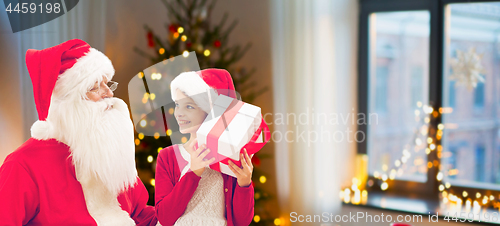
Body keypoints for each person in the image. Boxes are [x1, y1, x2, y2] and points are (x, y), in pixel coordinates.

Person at [0, 39, 157, 226]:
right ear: (68, 101)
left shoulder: (109, 153)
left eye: (107, 84)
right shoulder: (23, 165)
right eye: (95, 87)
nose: (109, 94)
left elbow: (142, 215)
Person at [155, 69, 255, 226]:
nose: (179, 113)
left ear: (210, 111)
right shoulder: (168, 156)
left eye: (189, 107)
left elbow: (242, 221)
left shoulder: (230, 157)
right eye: (177, 105)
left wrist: (245, 183)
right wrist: (193, 172)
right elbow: (164, 218)